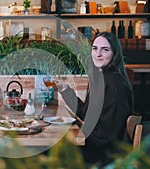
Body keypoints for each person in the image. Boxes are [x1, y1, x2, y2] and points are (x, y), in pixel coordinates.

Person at [56, 32, 134, 166]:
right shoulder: (102, 78)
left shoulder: (115, 85)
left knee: (49, 150)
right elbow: (86, 114)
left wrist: (76, 136)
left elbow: (107, 136)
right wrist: (65, 90)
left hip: (104, 153)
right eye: (95, 48)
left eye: (105, 49)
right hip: (97, 145)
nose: (98, 54)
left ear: (115, 54)